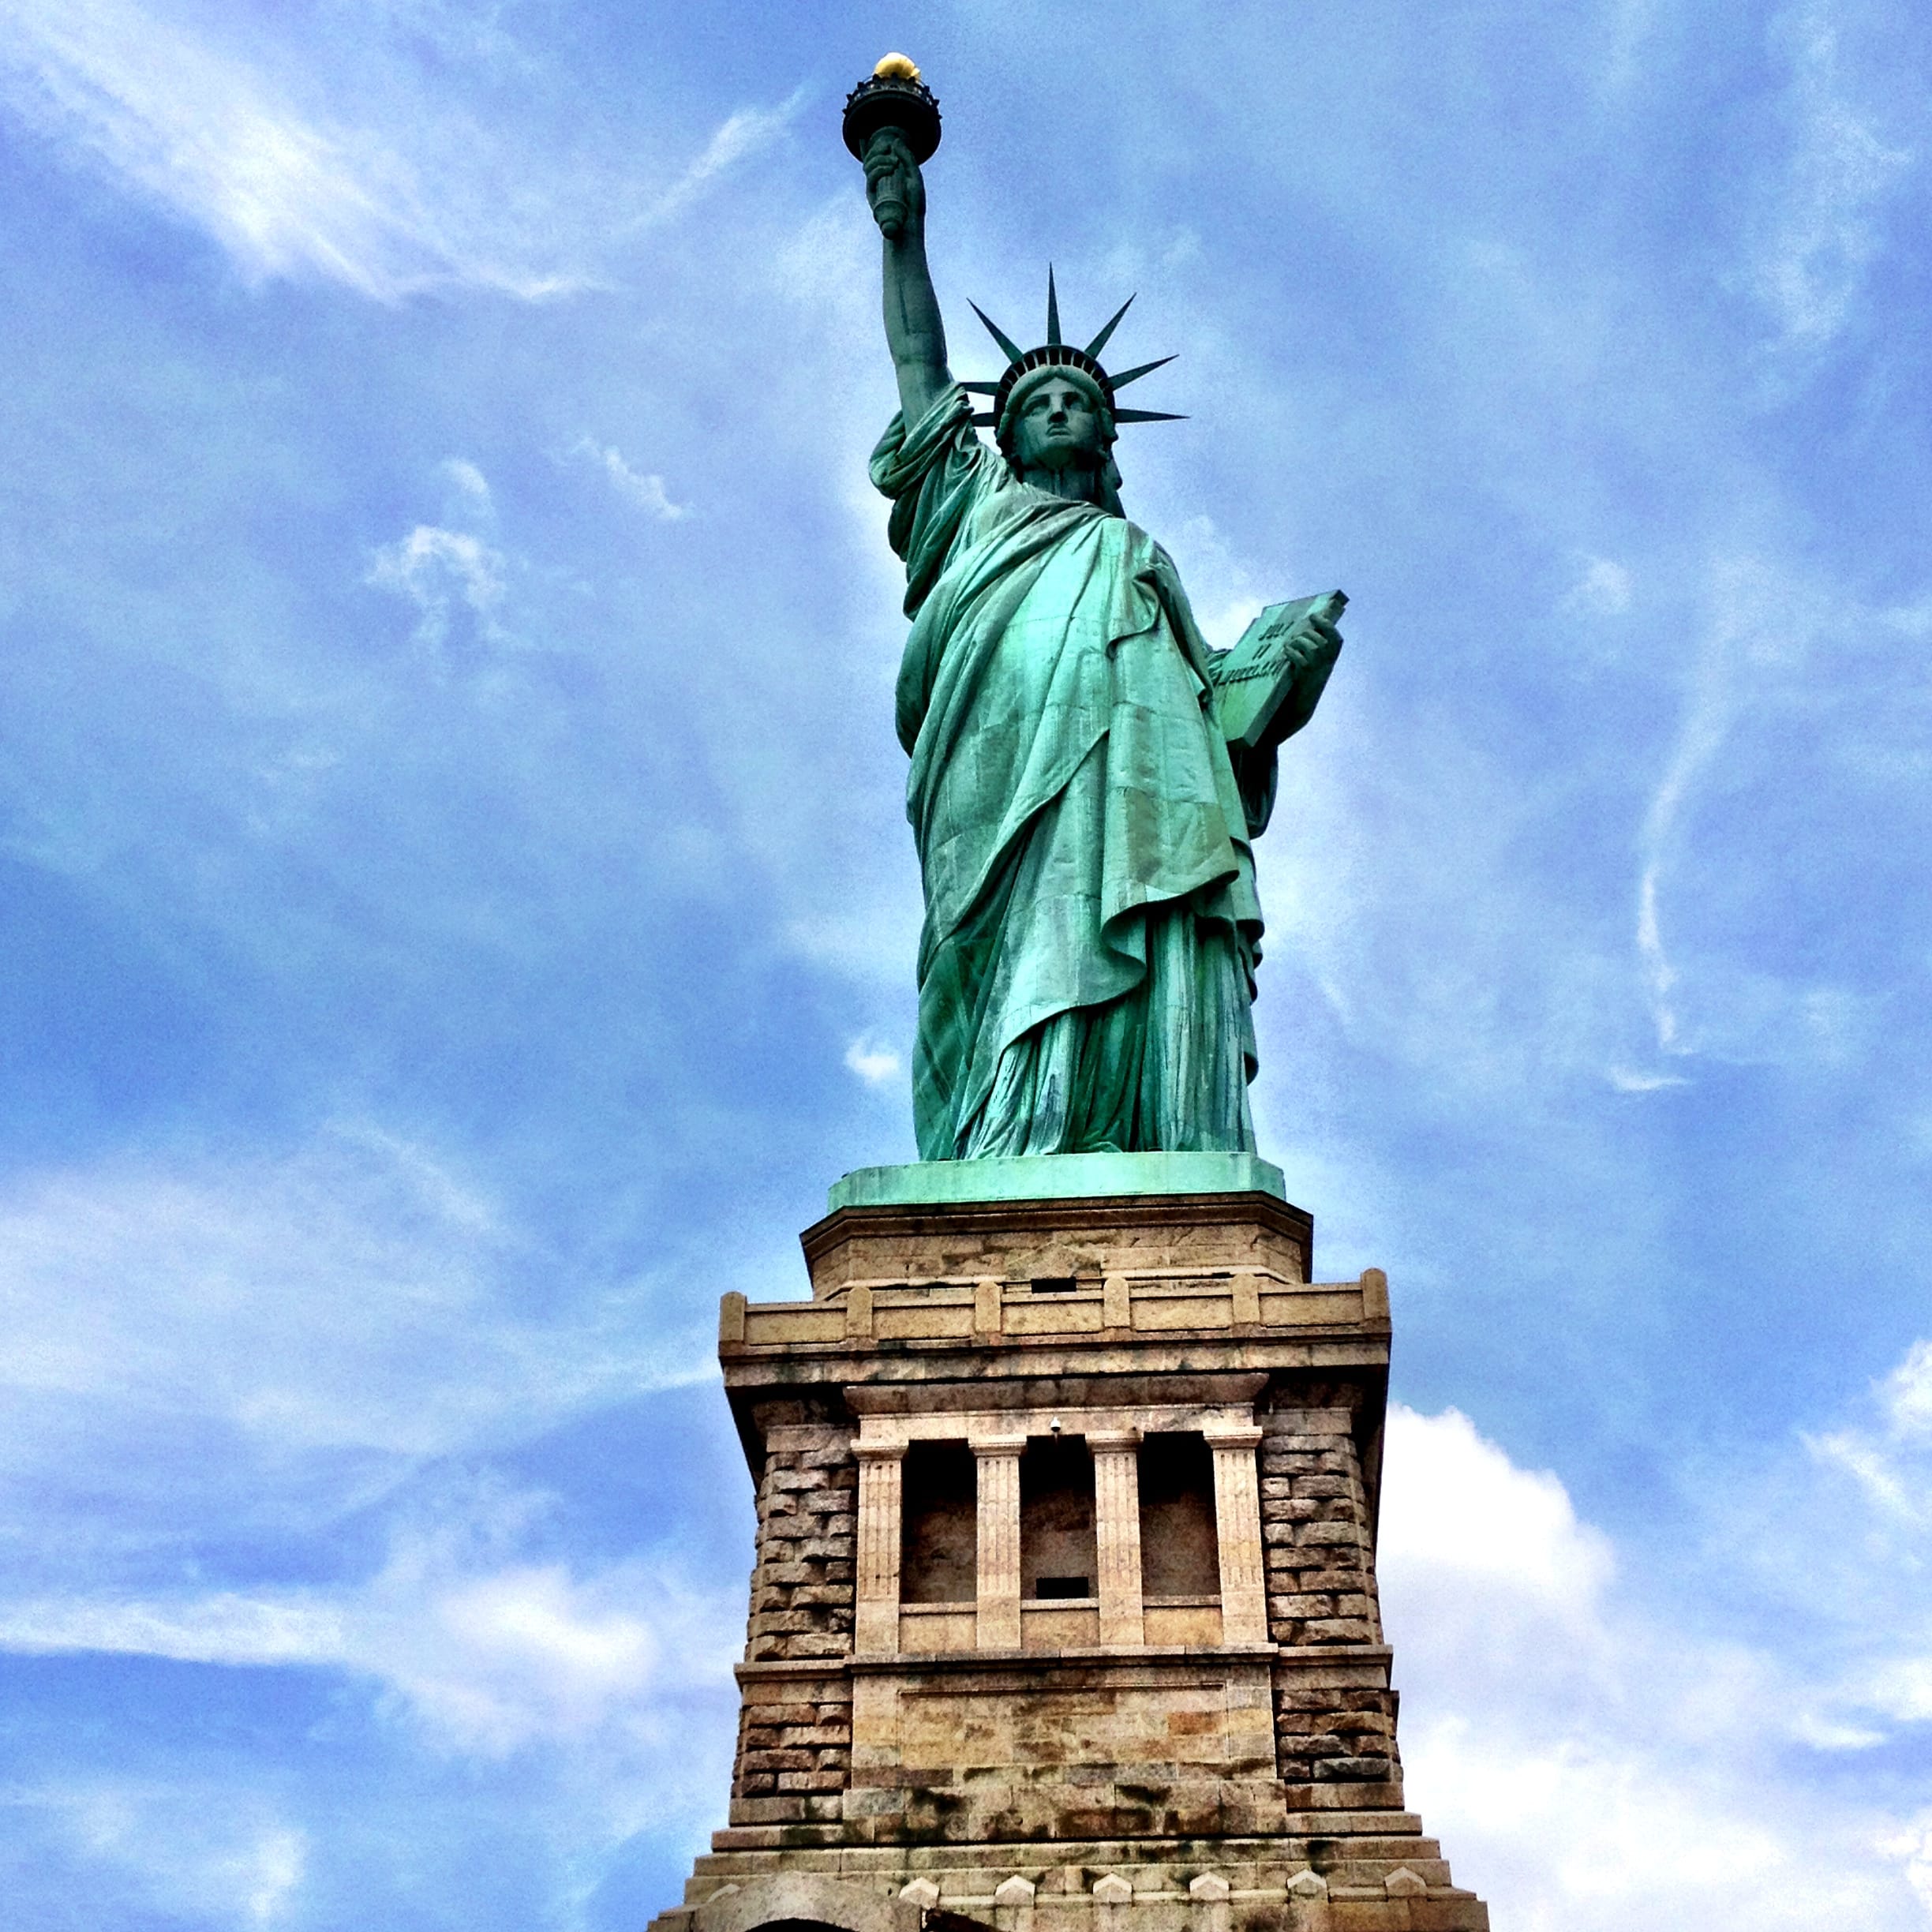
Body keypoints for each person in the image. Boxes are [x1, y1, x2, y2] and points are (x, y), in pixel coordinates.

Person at [863, 127, 1303, 1163]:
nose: (1059, 410)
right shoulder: (970, 509)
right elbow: (920, 369)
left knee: (1131, 910)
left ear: (1106, 440)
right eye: (1035, 405)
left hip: (1132, 799)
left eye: (1079, 404)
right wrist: (903, 235)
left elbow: (1212, 723)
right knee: (999, 950)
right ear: (1004, 436)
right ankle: (1001, 1136)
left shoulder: (1134, 552)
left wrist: (1280, 676)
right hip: (992, 779)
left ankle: (1128, 1126)